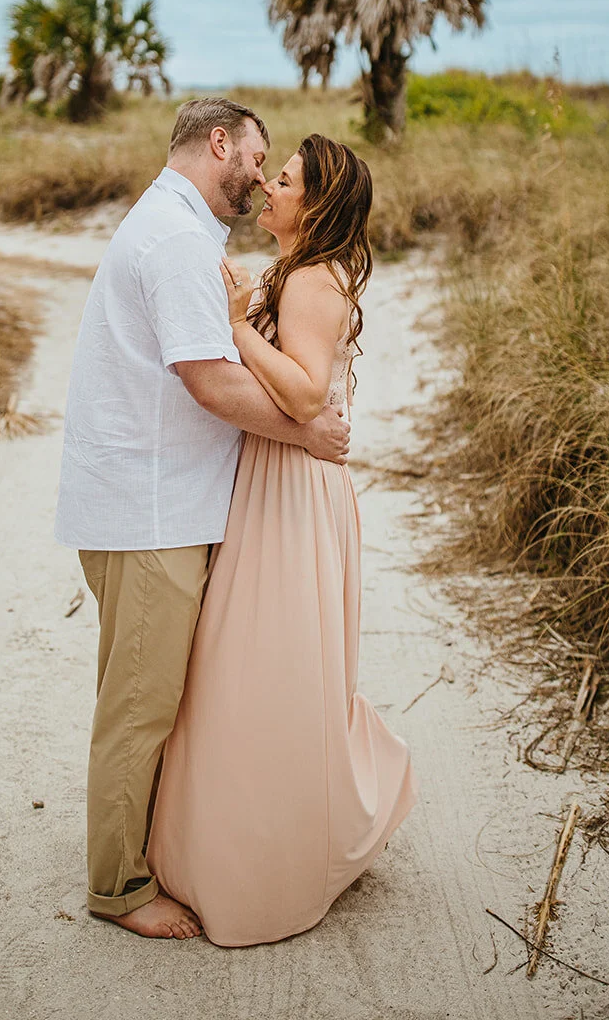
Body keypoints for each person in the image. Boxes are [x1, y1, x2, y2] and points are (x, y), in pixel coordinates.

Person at [54, 98, 351, 941]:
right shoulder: (179, 239)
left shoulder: (173, 227)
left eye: (272, 169)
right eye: (256, 158)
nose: (260, 176)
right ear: (217, 143)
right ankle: (117, 886)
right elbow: (210, 381)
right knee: (140, 706)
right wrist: (308, 431)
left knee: (152, 696)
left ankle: (150, 846)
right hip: (149, 515)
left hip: (151, 506)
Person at [147, 133, 416, 946]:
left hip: (291, 486)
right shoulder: (294, 272)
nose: (266, 185)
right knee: (247, 657)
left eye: (285, 180)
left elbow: (302, 393)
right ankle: (231, 841)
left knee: (260, 657)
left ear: (317, 204)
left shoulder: (314, 280)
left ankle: (265, 856)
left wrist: (235, 331)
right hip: (273, 479)